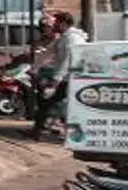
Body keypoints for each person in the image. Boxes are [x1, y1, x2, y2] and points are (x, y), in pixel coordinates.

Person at [31, 10, 88, 138]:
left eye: (56, 22)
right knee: (47, 101)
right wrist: (34, 67)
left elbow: (69, 60)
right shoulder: (64, 37)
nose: (54, 25)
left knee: (54, 102)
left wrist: (56, 80)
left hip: (71, 79)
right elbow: (49, 52)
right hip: (65, 78)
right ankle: (42, 129)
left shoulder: (73, 38)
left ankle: (45, 129)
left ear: (63, 24)